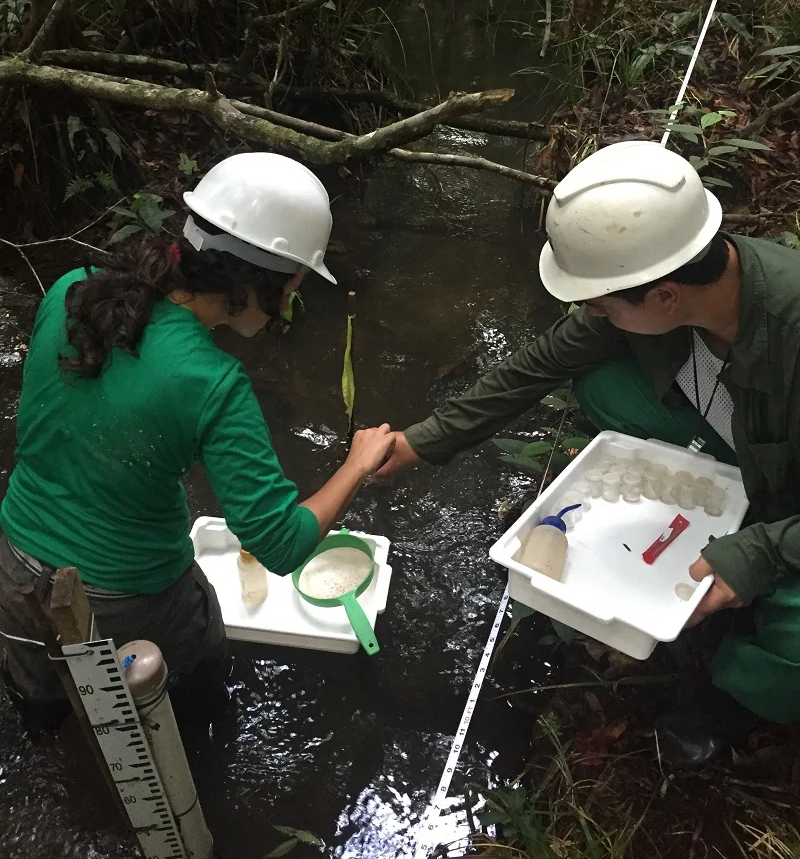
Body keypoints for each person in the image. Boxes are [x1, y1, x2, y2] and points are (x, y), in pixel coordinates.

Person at [378, 139, 800, 768]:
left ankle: (738, 696)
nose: (589, 313)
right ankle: (720, 506)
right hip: (749, 444)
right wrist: (422, 440)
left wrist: (761, 551)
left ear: (663, 299)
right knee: (602, 383)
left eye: (599, 302)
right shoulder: (668, 280)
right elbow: (540, 363)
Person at [0, 152, 393, 725]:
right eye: (293, 287)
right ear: (262, 280)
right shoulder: (213, 383)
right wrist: (356, 465)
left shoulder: (70, 290)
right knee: (193, 706)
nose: (289, 305)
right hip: (132, 602)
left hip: (12, 571)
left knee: (45, 712)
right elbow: (279, 544)